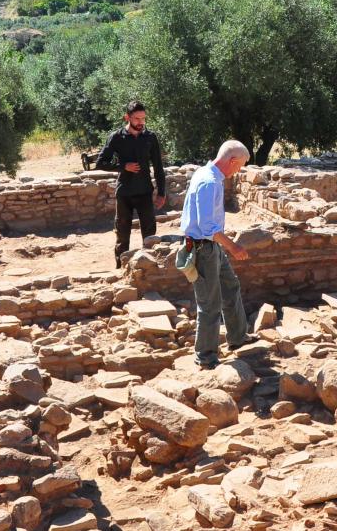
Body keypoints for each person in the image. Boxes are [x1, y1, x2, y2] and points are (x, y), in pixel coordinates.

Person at [180, 140, 256, 370]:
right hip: (203, 248)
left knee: (230, 286)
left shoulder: (208, 174)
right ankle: (205, 356)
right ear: (232, 160)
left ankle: (238, 337)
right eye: (240, 165)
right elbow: (207, 228)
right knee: (209, 303)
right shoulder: (209, 182)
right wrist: (233, 247)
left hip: (212, 247)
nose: (239, 170)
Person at [95, 100, 166, 268]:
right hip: (124, 193)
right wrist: (123, 166)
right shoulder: (116, 137)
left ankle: (149, 267)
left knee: (149, 232)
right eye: (137, 119)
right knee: (122, 233)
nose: (141, 122)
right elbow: (100, 162)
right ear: (127, 117)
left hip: (145, 192)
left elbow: (158, 167)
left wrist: (161, 192)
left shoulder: (150, 137)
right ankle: (121, 268)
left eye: (143, 118)